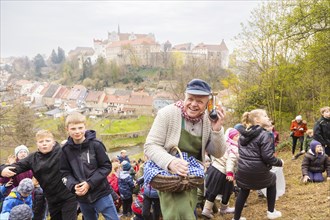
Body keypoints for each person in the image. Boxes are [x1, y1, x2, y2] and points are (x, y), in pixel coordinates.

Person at [144, 78, 227, 219]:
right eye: (190, 99)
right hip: (169, 176)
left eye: (200, 101)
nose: (194, 104)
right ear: (185, 96)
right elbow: (150, 146)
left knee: (189, 210)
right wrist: (171, 163)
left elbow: (218, 153)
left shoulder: (209, 119)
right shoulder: (167, 114)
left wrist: (217, 129)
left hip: (192, 177)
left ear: (208, 103)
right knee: (179, 215)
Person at [0, 129, 77, 220]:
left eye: (47, 141)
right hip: (51, 199)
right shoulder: (33, 158)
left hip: (68, 196)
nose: (44, 143)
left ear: (53, 142)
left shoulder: (63, 152)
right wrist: (2, 169)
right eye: (41, 141)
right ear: (37, 144)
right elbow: (17, 167)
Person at [60, 112, 118, 220]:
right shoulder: (65, 150)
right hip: (82, 197)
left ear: (85, 127)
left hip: (101, 193)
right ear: (67, 129)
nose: (77, 131)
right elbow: (64, 173)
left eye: (80, 128)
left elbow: (106, 167)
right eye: (73, 129)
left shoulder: (96, 145)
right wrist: (73, 186)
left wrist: (89, 183)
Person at [233, 109, 284, 220]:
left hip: (243, 170)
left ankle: (236, 218)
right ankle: (271, 212)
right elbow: (267, 157)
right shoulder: (265, 134)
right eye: (265, 116)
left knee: (244, 190)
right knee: (272, 179)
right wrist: (280, 162)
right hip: (257, 170)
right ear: (257, 120)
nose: (267, 118)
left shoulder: (243, 134)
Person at [202, 128, 239, 218]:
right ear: (231, 137)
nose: (238, 137)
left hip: (214, 169)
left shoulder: (224, 144)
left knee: (212, 191)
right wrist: (230, 173)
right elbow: (231, 160)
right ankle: (223, 208)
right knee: (227, 191)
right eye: (236, 136)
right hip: (224, 172)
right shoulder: (233, 148)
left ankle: (206, 210)